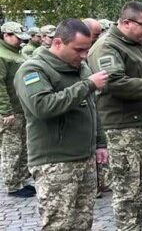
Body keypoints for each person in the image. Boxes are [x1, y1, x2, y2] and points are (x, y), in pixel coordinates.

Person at [14, 19, 109, 230]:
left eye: (87, 49)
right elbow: (43, 106)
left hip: (84, 157)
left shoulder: (80, 67)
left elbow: (92, 107)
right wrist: (88, 85)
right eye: (79, 49)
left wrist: (100, 142)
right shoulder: (33, 70)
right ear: (57, 43)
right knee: (59, 224)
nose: (84, 55)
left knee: (83, 221)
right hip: (55, 162)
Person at [87, 1, 142, 231]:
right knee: (127, 185)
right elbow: (114, 81)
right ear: (126, 22)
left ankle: (141, 224)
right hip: (122, 126)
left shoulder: (137, 44)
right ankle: (128, 228)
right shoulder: (107, 46)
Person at [0, 22, 34, 198]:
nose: (20, 41)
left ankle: (21, 180)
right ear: (6, 35)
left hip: (21, 109)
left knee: (22, 147)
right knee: (12, 149)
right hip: (11, 111)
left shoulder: (16, 53)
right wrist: (6, 112)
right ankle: (12, 184)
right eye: (17, 37)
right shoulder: (2, 55)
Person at [83, 17, 110, 197]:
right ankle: (94, 186)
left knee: (100, 148)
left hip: (96, 107)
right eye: (95, 35)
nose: (97, 38)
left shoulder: (94, 50)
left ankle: (101, 182)